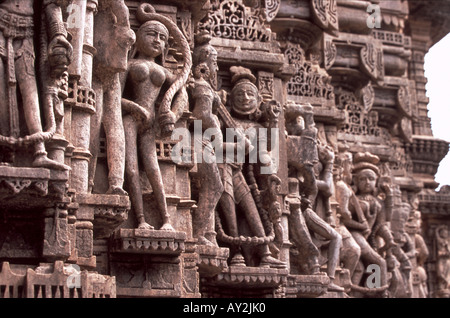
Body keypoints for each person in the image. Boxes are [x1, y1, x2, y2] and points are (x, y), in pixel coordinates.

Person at [120, 4, 191, 231]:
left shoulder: (164, 72)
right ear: (138, 37)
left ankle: (167, 220)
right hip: (131, 119)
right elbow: (112, 98)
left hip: (150, 124)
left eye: (162, 37)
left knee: (153, 169)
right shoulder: (128, 65)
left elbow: (183, 93)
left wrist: (172, 113)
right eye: (151, 34)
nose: (157, 40)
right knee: (130, 168)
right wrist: (134, 108)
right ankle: (140, 219)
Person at [215, 66, 286, 268]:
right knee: (229, 209)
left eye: (249, 94)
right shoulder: (225, 122)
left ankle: (265, 253)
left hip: (247, 177)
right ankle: (235, 252)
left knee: (253, 211)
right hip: (227, 170)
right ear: (231, 98)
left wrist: (273, 120)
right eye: (239, 94)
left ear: (258, 100)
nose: (245, 98)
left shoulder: (257, 127)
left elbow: (268, 150)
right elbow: (213, 144)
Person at [0, 0, 72, 170]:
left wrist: (58, 34)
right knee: (1, 90)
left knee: (29, 85)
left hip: (27, 28)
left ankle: (40, 151)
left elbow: (51, 4)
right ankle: (5, 150)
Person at [88, 0, 136, 195]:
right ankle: (91, 181)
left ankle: (114, 182)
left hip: (106, 66)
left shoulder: (117, 8)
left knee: (111, 123)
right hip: (98, 63)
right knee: (96, 121)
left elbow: (125, 26)